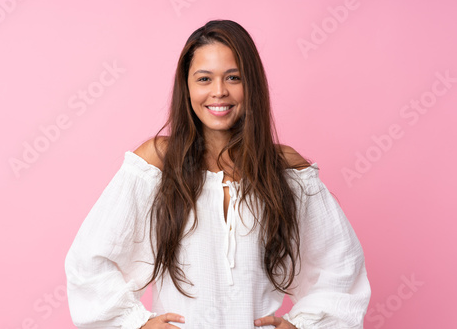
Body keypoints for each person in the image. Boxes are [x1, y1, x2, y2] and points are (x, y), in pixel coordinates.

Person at [65, 19, 371, 328]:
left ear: (251, 84)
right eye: (204, 79)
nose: (219, 92)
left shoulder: (284, 170)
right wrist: (135, 324)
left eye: (233, 77)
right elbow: (88, 263)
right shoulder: (156, 165)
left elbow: (341, 268)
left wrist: (304, 325)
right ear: (186, 87)